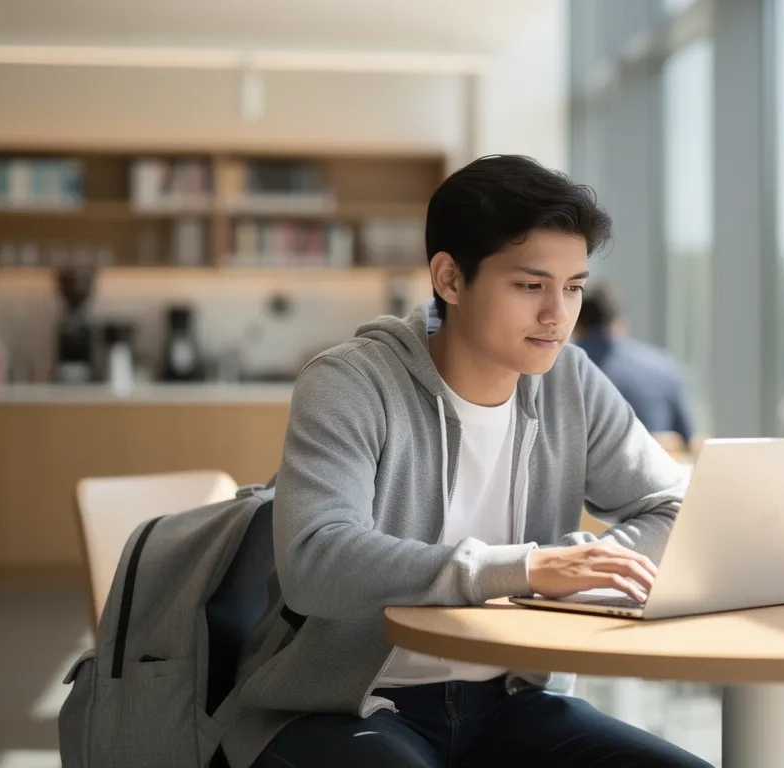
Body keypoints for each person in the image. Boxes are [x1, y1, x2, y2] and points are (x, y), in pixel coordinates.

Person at [238, 155, 709, 768]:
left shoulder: (570, 381)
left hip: (513, 701)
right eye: (530, 285)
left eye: (573, 288)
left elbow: (673, 507)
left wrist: (583, 567)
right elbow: (314, 560)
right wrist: (527, 569)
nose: (557, 315)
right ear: (450, 279)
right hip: (352, 706)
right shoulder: (350, 383)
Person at [572, 285, 695, 445]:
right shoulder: (661, 363)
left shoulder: (566, 366)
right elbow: (686, 436)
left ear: (576, 323)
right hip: (655, 463)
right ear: (618, 321)